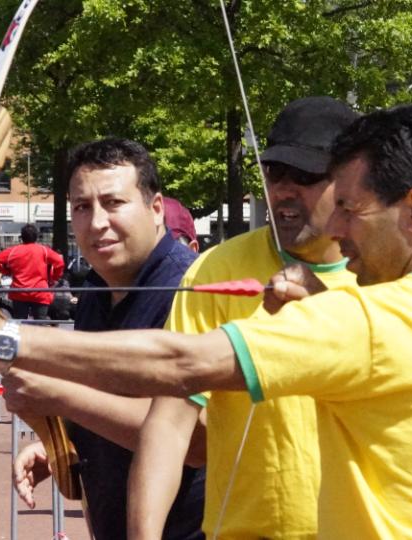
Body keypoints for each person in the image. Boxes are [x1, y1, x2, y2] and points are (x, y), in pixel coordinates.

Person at [0, 104, 412, 538]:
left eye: (350, 208)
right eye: (275, 174)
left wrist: (0, 338)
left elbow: (181, 362)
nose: (336, 225)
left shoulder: (374, 318)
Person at [130, 96, 358, 539]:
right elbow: (169, 421)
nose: (284, 190)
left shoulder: (387, 271)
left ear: (351, 182)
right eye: (274, 172)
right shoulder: (217, 268)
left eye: (305, 176)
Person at [4, 138, 205, 540]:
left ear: (156, 208)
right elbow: (108, 402)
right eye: (82, 207)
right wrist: (59, 445)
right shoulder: (97, 291)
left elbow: (197, 440)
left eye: (113, 203)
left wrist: (59, 396)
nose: (96, 222)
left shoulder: (192, 289)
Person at [0, 223, 64, 320]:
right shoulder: (44, 250)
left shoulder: (13, 251)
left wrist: (7, 271)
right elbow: (60, 262)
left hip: (19, 292)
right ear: (36, 237)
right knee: (40, 323)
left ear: (22, 237)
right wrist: (54, 278)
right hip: (40, 292)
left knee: (20, 323)